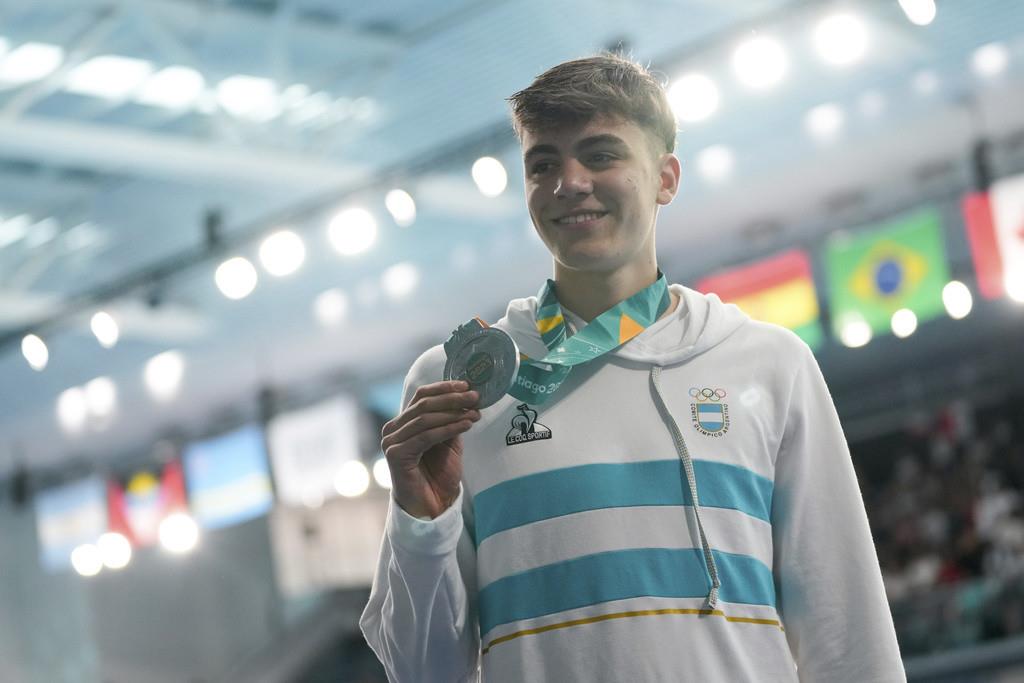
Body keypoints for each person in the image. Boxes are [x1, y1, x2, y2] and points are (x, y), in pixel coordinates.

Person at [360, 53, 905, 682]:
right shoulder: (454, 383)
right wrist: (422, 526)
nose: (569, 182)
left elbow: (848, 630)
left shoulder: (768, 365)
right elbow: (422, 672)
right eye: (544, 164)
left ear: (665, 178)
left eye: (600, 155)